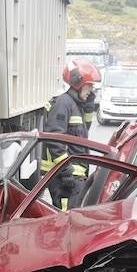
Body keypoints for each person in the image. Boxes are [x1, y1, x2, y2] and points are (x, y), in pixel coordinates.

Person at [42, 60, 101, 210]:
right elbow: (54, 139)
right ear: (77, 83)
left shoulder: (76, 105)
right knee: (65, 218)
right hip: (64, 176)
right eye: (89, 85)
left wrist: (88, 107)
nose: (91, 90)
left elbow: (82, 134)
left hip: (74, 174)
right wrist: (66, 170)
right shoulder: (63, 104)